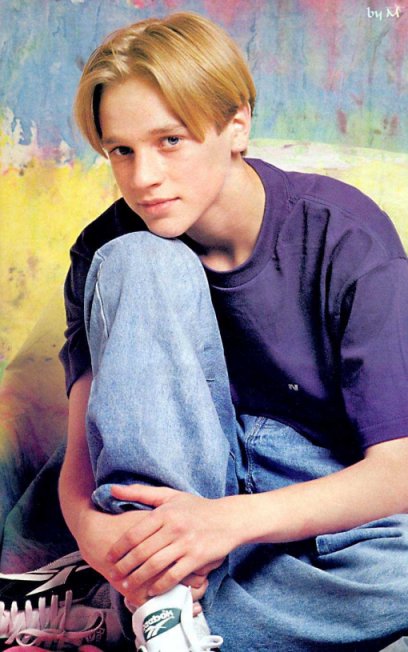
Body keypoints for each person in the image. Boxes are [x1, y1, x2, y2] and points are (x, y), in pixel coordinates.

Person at [56, 10, 408, 652]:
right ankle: (164, 606)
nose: (143, 178)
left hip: (318, 500)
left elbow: (398, 471)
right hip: (170, 497)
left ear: (236, 125)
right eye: (121, 151)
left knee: (399, 583)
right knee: (139, 258)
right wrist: (94, 534)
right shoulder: (107, 249)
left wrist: (224, 524)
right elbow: (83, 448)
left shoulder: (345, 235)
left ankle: (134, 609)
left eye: (170, 140)